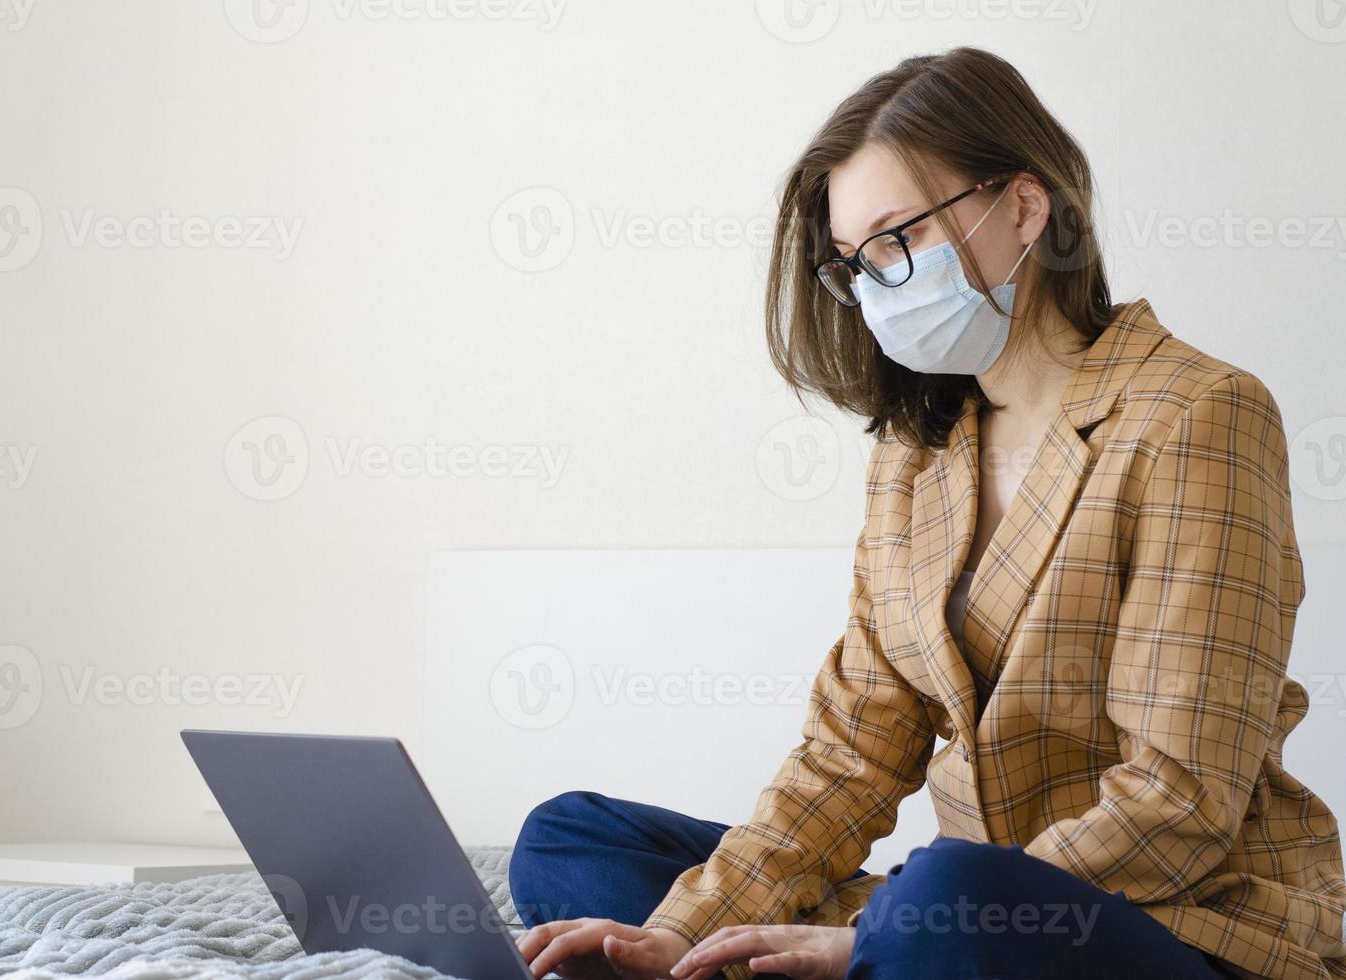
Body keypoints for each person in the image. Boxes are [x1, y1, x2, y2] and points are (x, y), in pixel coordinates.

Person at [508, 46, 1346, 980]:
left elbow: (1176, 800)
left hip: (1171, 922)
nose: (873, 287)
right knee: (569, 842)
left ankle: (881, 952)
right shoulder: (916, 453)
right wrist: (682, 926)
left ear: (1025, 208)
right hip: (958, 911)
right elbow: (854, 748)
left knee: (940, 899)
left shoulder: (1197, 414)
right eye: (853, 263)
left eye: (897, 239)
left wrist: (881, 928)